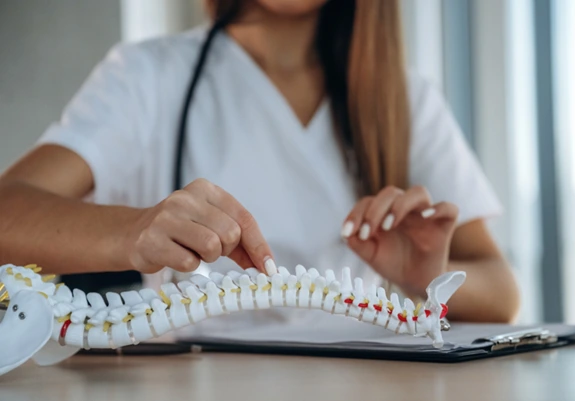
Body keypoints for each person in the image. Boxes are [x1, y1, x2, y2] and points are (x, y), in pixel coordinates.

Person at [0, 0, 519, 329]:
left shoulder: (406, 101)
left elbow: (502, 294)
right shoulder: (145, 77)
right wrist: (132, 231)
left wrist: (426, 278)